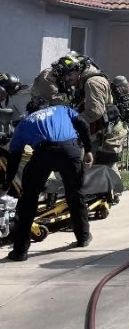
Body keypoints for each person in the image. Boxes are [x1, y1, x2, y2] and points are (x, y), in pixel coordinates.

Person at [4, 100, 93, 261]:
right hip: (69, 150)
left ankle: (20, 251)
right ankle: (83, 237)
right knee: (75, 193)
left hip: (43, 153)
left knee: (28, 200)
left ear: (29, 111)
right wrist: (88, 150)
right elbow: (82, 123)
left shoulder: (25, 122)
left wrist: (7, 181)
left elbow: (14, 156)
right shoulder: (62, 109)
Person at [51, 54, 127, 181]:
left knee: (105, 163)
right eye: (65, 76)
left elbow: (94, 111)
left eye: (69, 74)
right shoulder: (84, 81)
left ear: (78, 69)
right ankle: (106, 189)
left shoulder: (92, 83)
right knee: (97, 163)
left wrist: (72, 121)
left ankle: (112, 190)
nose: (67, 78)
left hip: (110, 132)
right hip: (101, 129)